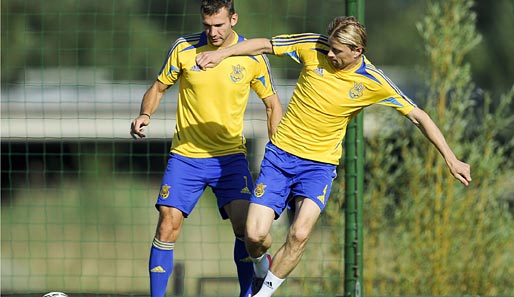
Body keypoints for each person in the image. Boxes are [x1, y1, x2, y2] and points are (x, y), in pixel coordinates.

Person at [196, 16, 472, 296]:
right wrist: (222, 53)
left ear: (357, 52)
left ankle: (263, 294)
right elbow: (265, 45)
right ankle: (259, 267)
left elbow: (418, 115)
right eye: (329, 47)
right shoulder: (312, 46)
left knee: (300, 233)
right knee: (254, 236)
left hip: (319, 167)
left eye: (337, 51)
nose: (329, 53)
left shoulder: (372, 81)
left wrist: (451, 158)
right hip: (280, 158)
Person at [130, 1, 282, 296]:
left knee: (246, 228)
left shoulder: (251, 55)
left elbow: (272, 104)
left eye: (219, 25)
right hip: (186, 157)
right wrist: (145, 114)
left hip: (230, 159)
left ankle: (246, 293)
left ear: (233, 19)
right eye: (207, 25)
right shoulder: (184, 48)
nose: (212, 32)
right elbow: (158, 87)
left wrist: (276, 153)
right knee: (167, 224)